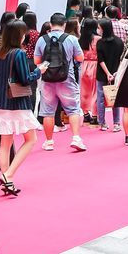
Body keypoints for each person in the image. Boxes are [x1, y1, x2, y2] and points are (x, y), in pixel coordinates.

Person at [0, 20, 47, 195]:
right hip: (17, 102)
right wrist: (39, 71)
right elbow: (25, 79)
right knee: (31, 139)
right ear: (19, 35)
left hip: (1, 102)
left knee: (5, 143)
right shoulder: (19, 53)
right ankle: (8, 175)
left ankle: (7, 180)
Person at [35, 14, 84, 152]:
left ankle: (49, 142)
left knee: (48, 112)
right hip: (67, 78)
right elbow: (80, 58)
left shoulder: (42, 40)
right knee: (73, 109)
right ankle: (76, 138)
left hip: (47, 80)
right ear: (64, 24)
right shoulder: (71, 39)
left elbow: (36, 61)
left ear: (51, 25)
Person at [95, 18, 124, 131]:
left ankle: (102, 122)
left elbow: (100, 60)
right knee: (114, 97)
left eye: (99, 28)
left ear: (103, 29)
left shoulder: (100, 43)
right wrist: (115, 72)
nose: (98, 30)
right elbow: (121, 59)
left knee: (101, 98)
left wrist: (107, 73)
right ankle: (116, 123)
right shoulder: (119, 42)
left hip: (102, 73)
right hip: (116, 73)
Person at [78, 17, 100, 125]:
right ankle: (95, 116)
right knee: (95, 92)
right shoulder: (98, 39)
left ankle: (85, 114)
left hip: (83, 65)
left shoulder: (81, 39)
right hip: (95, 65)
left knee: (84, 91)